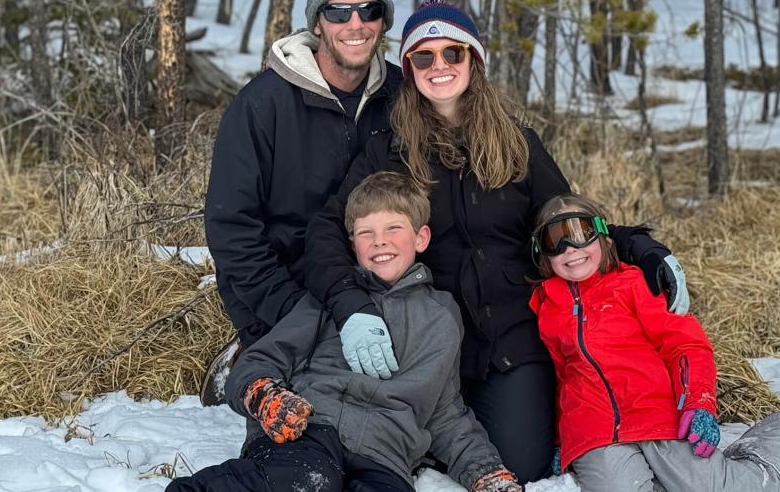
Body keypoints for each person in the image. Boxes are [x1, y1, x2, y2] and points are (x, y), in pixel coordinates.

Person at [304, 0, 692, 483]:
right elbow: (327, 228)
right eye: (424, 57)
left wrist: (641, 248)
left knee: (520, 463)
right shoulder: (389, 148)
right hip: (425, 337)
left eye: (453, 53)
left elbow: (566, 224)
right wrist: (350, 303)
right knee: (400, 445)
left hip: (511, 338)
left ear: (475, 60)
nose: (439, 66)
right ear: (409, 68)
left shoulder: (518, 144)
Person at [168, 172, 521, 492]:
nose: (380, 242)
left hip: (385, 456)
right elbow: (261, 359)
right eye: (366, 233)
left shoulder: (441, 317)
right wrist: (264, 395)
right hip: (307, 433)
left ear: (421, 237)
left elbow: (446, 411)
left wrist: (484, 471)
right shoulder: (329, 299)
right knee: (301, 482)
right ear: (352, 243)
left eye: (393, 229)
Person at [201, 0, 401, 403]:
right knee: (323, 405)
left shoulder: (401, 95)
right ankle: (250, 360)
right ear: (317, 22)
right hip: (287, 290)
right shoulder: (261, 105)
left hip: (376, 279)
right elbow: (232, 230)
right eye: (338, 11)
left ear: (383, 20)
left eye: (368, 9)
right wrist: (293, 314)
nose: (355, 24)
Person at [528, 193, 780, 492]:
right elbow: (560, 378)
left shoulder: (634, 283)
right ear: (542, 251)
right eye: (555, 239)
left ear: (603, 236)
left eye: (580, 233)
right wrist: (563, 441)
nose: (570, 248)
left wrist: (698, 402)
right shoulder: (546, 307)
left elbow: (686, 346)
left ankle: (775, 443)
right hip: (596, 435)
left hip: (660, 418)